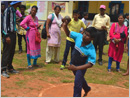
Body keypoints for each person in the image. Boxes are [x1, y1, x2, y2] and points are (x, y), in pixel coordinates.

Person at [62, 19, 97, 97]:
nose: (85, 36)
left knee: (77, 84)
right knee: (79, 78)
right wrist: (65, 26)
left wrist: (77, 68)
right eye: (85, 33)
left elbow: (90, 64)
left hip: (81, 67)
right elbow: (68, 34)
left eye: (88, 36)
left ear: (92, 39)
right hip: (73, 63)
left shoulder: (91, 49)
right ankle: (87, 88)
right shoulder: (79, 36)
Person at [1, 1, 22, 78]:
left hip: (13, 33)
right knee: (6, 51)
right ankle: (3, 69)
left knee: (12, 51)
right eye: (19, 2)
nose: (20, 3)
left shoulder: (14, 11)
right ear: (16, 3)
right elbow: (4, 24)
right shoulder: (8, 10)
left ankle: (9, 67)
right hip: (8, 34)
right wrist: (6, 36)